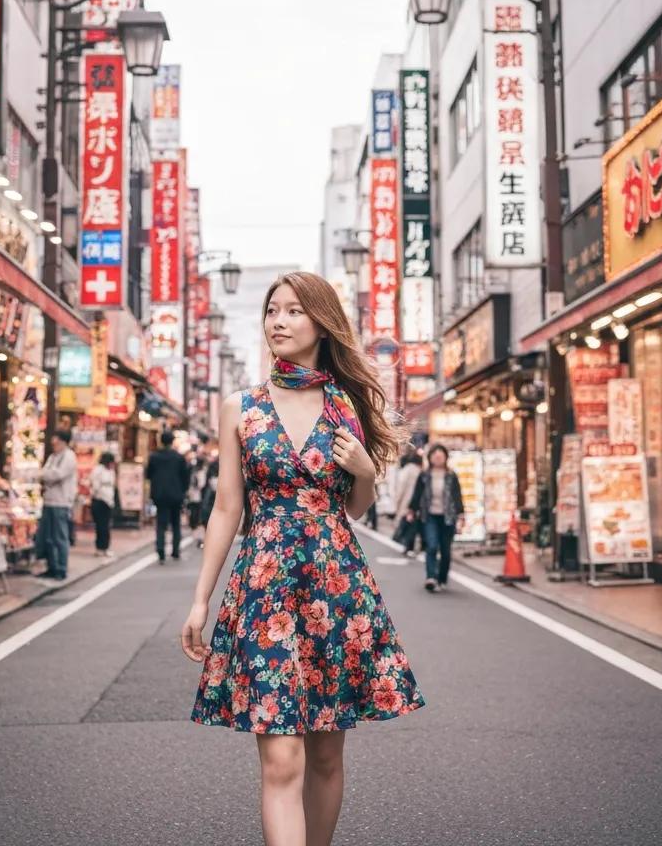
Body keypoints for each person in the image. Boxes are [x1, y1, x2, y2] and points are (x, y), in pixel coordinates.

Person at [181, 271, 425, 846]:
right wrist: (200, 600)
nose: (279, 321)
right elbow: (226, 508)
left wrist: (365, 473)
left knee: (325, 755)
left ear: (321, 322)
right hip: (265, 587)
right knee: (281, 760)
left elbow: (355, 509)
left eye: (294, 311)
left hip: (334, 586)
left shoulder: (346, 406)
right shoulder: (240, 407)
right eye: (273, 310)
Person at [408, 443, 465, 593]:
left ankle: (442, 578)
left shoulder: (451, 476)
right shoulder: (424, 475)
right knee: (431, 545)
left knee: (445, 550)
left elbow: (457, 496)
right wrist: (411, 510)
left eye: (441, 455)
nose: (438, 458)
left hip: (448, 517)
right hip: (429, 515)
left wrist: (461, 515)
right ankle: (431, 577)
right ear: (430, 458)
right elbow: (417, 494)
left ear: (446, 457)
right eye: (435, 456)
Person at [37, 429, 77, 581]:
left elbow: (57, 474)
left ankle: (61, 568)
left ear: (63, 442)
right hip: (49, 500)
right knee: (48, 536)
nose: (53, 443)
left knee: (60, 536)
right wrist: (44, 474)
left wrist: (43, 474)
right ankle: (51, 567)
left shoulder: (69, 456)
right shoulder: (53, 457)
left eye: (57, 440)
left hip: (62, 502)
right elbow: (46, 473)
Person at [146, 429, 190, 563]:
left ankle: (160, 550)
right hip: (176, 494)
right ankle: (175, 550)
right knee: (176, 523)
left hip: (159, 494)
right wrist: (183, 491)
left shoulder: (154, 457)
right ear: (172, 441)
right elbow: (185, 477)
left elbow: (148, 474)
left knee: (161, 523)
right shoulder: (179, 458)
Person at [392, 450, 424, 558]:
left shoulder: (407, 470)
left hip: (406, 501)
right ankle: (412, 546)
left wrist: (397, 502)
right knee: (413, 524)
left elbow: (401, 487)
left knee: (408, 523)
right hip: (417, 502)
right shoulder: (421, 471)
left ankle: (406, 545)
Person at [89, 451, 118, 559]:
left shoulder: (111, 471)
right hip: (99, 500)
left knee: (106, 526)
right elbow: (95, 486)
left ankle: (105, 547)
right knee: (100, 526)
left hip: (108, 501)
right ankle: (100, 547)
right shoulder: (98, 470)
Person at [186, 453, 208, 548]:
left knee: (195, 515)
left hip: (193, 495)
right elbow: (202, 485)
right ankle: (200, 537)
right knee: (199, 516)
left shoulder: (193, 470)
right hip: (200, 497)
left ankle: (198, 535)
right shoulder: (202, 472)